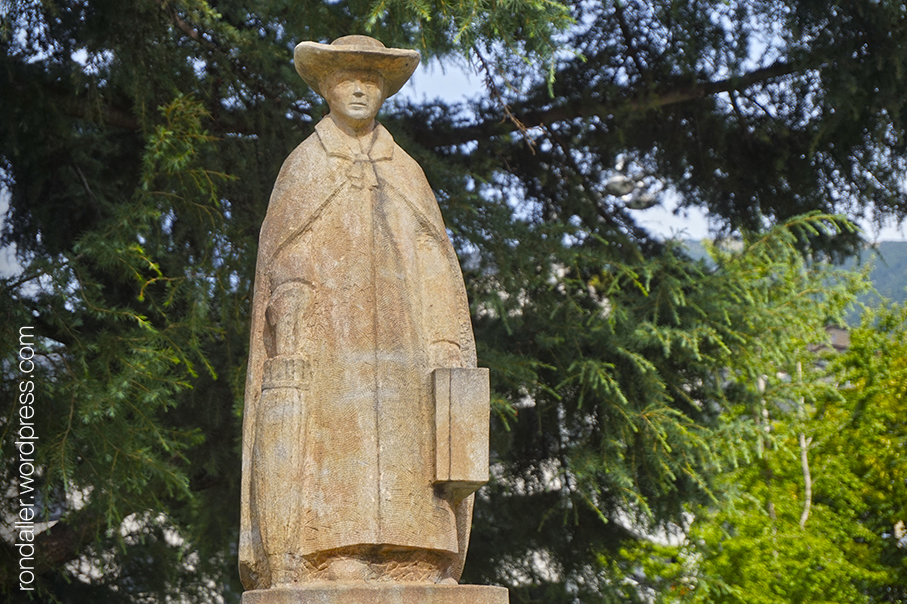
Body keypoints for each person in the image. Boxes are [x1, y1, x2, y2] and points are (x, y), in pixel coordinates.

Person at [238, 35, 481, 590]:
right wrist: (292, 296)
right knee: (335, 440)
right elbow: (285, 248)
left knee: (410, 445)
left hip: (407, 349)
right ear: (325, 86)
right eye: (346, 77)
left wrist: (445, 340)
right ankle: (331, 552)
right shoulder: (303, 165)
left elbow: (434, 259)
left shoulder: (408, 172)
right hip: (332, 348)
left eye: (370, 80)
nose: (357, 88)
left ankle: (419, 554)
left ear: (384, 93)